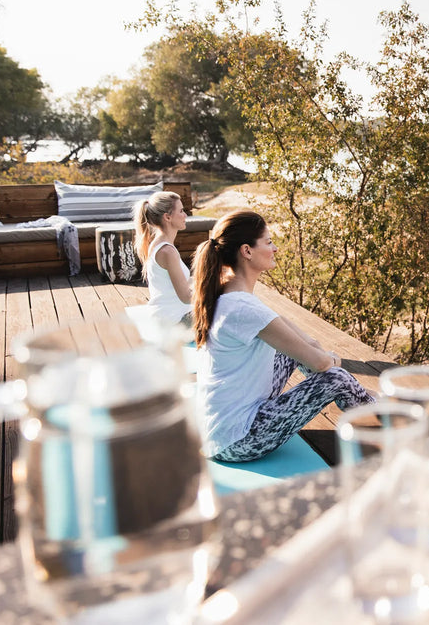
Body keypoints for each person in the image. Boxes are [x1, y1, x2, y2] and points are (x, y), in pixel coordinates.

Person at [191, 210, 375, 462]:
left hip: (220, 431)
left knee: (292, 354)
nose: (275, 248)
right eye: (268, 242)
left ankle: (366, 402)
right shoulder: (244, 308)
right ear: (247, 251)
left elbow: (306, 344)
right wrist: (330, 361)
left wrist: (319, 355)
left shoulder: (230, 295)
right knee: (335, 378)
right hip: (237, 439)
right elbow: (321, 363)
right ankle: (378, 413)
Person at [134, 191, 193, 325]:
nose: (185, 215)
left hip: (168, 316)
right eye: (181, 211)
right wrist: (214, 292)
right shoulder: (167, 251)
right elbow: (186, 297)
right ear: (168, 217)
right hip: (175, 322)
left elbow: (180, 283)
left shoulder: (158, 243)